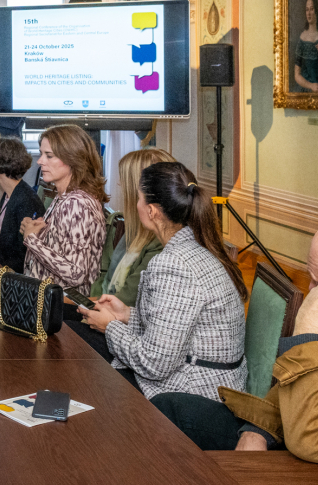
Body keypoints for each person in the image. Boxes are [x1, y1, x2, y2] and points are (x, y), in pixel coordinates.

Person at [154, 217, 318, 464]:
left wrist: (310, 324)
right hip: (298, 430)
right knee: (169, 408)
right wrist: (257, 431)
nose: (311, 293)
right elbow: (292, 383)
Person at [75, 162, 248, 401]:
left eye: (138, 198)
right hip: (213, 380)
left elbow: (155, 363)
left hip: (194, 392)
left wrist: (111, 326)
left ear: (152, 211)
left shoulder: (173, 264)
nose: (135, 205)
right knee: (81, 341)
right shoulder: (195, 247)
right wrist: (126, 314)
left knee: (82, 356)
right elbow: (174, 330)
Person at [20, 124, 107, 294]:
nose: (40, 161)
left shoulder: (76, 204)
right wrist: (36, 231)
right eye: (42, 153)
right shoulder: (64, 197)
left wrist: (31, 239)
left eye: (49, 156)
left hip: (62, 308)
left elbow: (76, 274)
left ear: (72, 159)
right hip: (47, 301)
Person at [93, 148, 176, 306]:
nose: (119, 184)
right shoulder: (133, 230)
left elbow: (127, 301)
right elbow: (103, 278)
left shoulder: (161, 243)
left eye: (123, 180)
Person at [0, 137, 43, 273]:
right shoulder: (9, 194)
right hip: (3, 268)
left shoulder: (26, 201)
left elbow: (22, 255)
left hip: (14, 276)